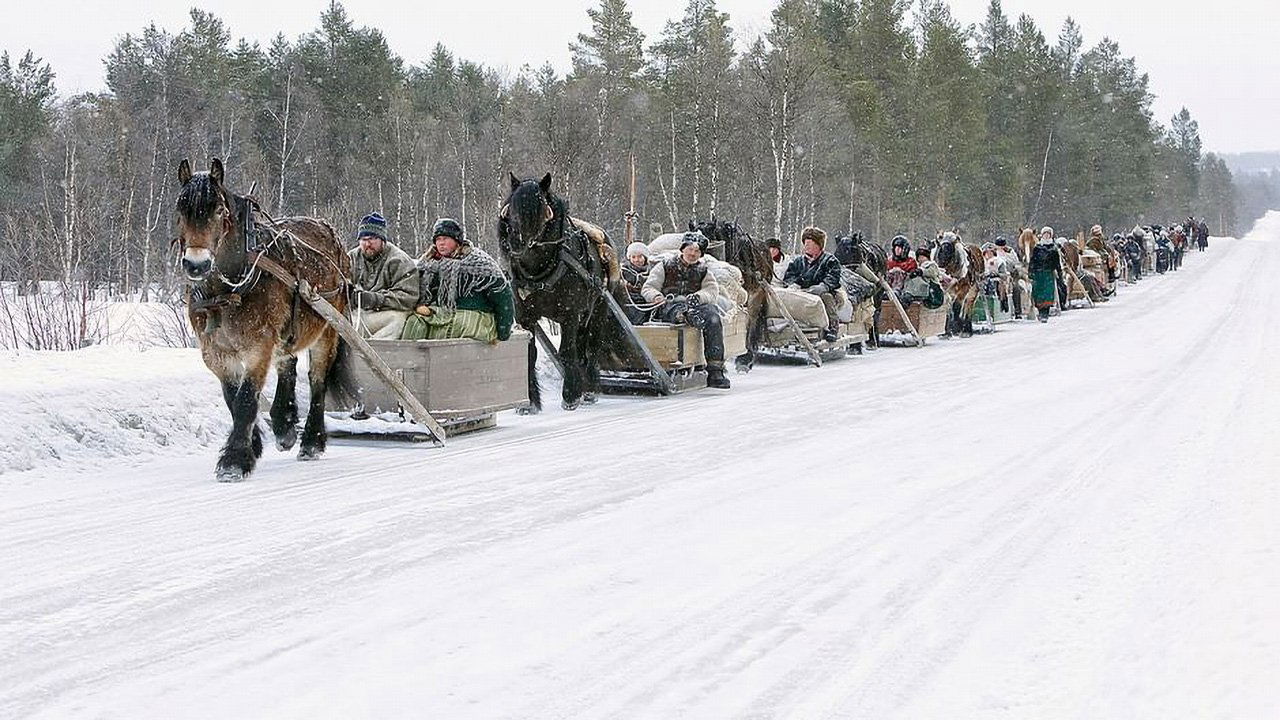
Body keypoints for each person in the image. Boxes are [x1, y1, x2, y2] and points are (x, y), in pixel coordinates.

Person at [400, 218, 514, 343]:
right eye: (438, 239)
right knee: (414, 323)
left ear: (457, 241)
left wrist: (503, 332)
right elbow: (413, 290)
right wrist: (419, 307)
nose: (441, 243)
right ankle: (408, 359)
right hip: (438, 314)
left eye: (446, 239)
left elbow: (503, 298)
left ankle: (448, 359)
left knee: (460, 323)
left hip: (474, 315)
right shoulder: (427, 264)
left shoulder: (480, 263)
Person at [641, 233, 731, 389]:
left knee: (714, 318)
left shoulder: (703, 270)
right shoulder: (665, 265)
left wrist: (699, 297)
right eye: (690, 249)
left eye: (697, 252)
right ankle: (686, 316)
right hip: (669, 304)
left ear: (701, 254)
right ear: (682, 249)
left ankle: (715, 370)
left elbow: (711, 290)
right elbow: (649, 287)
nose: (692, 254)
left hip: (695, 305)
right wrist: (655, 296)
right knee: (678, 310)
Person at [348, 212, 420, 338]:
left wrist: (375, 299)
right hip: (356, 314)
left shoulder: (399, 260)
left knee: (397, 320)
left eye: (372, 239)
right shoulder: (351, 258)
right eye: (363, 240)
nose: (367, 244)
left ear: (382, 240)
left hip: (385, 313)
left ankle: (377, 352)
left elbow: (408, 297)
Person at [782, 226, 844, 342]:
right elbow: (789, 276)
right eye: (805, 243)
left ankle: (832, 327)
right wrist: (793, 285)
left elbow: (833, 277)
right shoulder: (798, 262)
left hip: (824, 293)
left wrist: (823, 287)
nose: (806, 246)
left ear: (818, 245)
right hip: (801, 292)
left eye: (809, 243)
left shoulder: (830, 260)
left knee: (827, 297)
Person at [1029, 226, 1062, 322]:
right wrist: (1031, 272)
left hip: (1048, 273)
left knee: (1047, 293)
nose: (1046, 236)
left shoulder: (1053, 249)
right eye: (1045, 234)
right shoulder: (1037, 248)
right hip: (1038, 273)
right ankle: (1040, 311)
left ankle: (1045, 313)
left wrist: (1059, 272)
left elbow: (1057, 263)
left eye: (1048, 234)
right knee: (1038, 293)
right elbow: (1033, 261)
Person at [621, 242, 654, 325]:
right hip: (629, 301)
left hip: (645, 300)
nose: (636, 260)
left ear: (645, 258)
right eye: (633, 257)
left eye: (640, 257)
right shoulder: (624, 271)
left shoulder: (652, 271)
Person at [994, 236, 1025, 318]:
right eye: (999, 246)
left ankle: (1018, 311)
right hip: (998, 274)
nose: (1001, 248)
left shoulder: (1010, 252)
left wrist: (1006, 256)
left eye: (1002, 246)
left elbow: (1015, 262)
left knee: (1016, 288)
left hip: (1010, 275)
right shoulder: (993, 252)